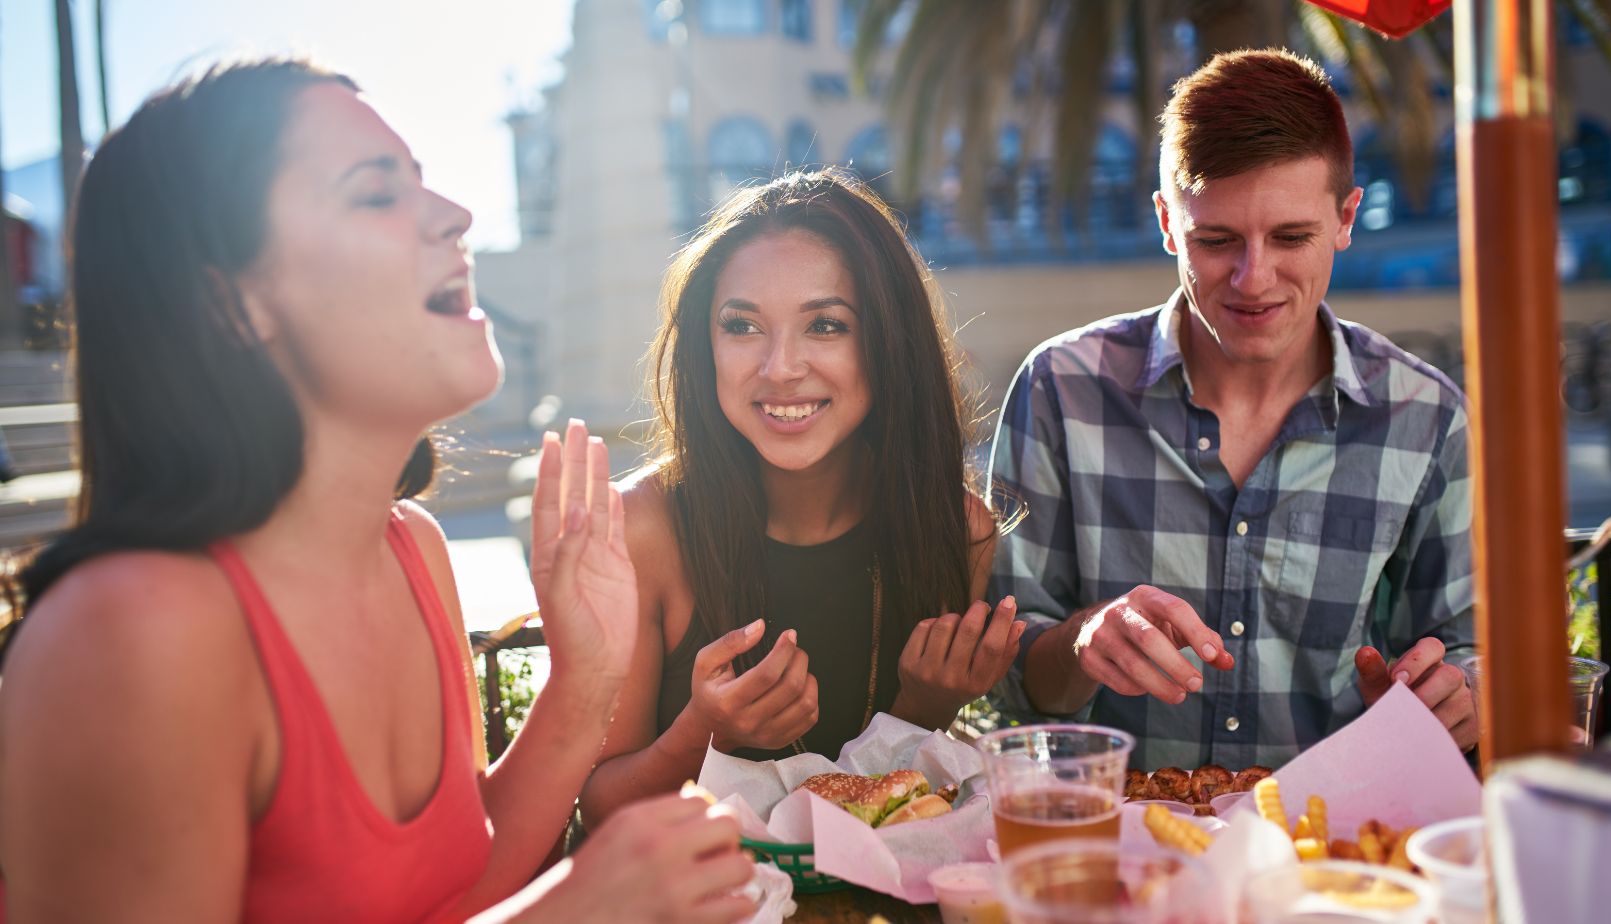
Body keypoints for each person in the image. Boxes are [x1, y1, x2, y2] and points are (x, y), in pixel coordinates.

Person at [0, 58, 752, 923]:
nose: (456, 216)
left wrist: (586, 679)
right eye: (374, 193)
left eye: (424, 185)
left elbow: (455, 886)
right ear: (235, 306)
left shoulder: (412, 550)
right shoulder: (134, 635)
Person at [988, 49, 1476, 772]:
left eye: (1291, 237)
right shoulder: (1059, 389)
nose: (1254, 279)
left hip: (1336, 856)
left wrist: (1461, 692)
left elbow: (1466, 648)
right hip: (1123, 855)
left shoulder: (1426, 416)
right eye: (1215, 241)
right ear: (1165, 222)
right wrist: (1084, 642)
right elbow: (1012, 681)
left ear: (1346, 218)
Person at [579, 169, 1021, 821]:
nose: (781, 367)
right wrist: (706, 733)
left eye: (825, 326)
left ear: (887, 343)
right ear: (706, 344)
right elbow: (594, 808)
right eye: (742, 326)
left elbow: (884, 809)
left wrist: (923, 711)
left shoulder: (956, 530)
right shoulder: (638, 528)